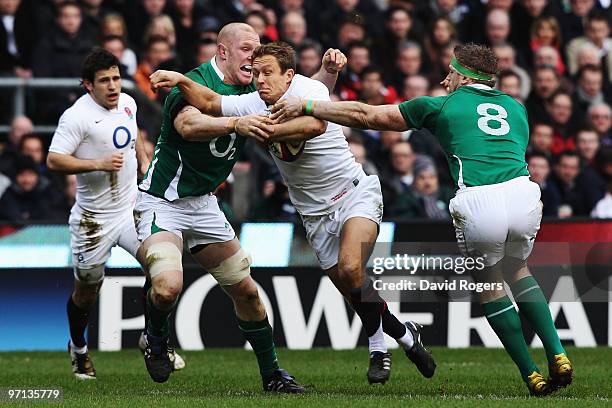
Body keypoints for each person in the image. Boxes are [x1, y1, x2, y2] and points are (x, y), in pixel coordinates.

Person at [269, 43, 572, 397]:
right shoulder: (518, 109)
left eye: (450, 72)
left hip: (479, 199)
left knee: (490, 284)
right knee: (518, 270)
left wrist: (307, 104)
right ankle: (559, 353)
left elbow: (368, 116)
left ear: (464, 76)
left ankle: (531, 375)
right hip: (524, 193)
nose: (445, 79)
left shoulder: (439, 105)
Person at [150, 41, 436, 385]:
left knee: (350, 268)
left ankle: (378, 348)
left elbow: (313, 127)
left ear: (289, 75)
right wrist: (181, 80)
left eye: (267, 73)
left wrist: (259, 127)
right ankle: (405, 334)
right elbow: (210, 102)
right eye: (255, 74)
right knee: (351, 287)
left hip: (353, 194)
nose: (259, 81)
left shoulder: (309, 89)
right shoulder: (254, 103)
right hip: (313, 213)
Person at [135, 23, 342, 391]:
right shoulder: (198, 81)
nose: (254, 55)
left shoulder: (253, 88)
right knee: (167, 287)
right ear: (223, 52)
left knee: (247, 292)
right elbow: (189, 125)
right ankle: (155, 337)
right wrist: (237, 123)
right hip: (161, 202)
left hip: (204, 205)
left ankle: (273, 376)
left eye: (259, 47)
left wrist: (328, 71)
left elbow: (299, 93)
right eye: (247, 48)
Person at [46, 48, 183, 380]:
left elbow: (132, 134)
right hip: (93, 219)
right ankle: (78, 349)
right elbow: (54, 160)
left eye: (116, 78)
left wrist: (145, 164)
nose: (112, 86)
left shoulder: (128, 102)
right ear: (88, 86)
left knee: (161, 267)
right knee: (87, 291)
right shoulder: (76, 117)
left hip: (130, 209)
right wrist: (97, 163)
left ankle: (152, 338)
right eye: (104, 81)